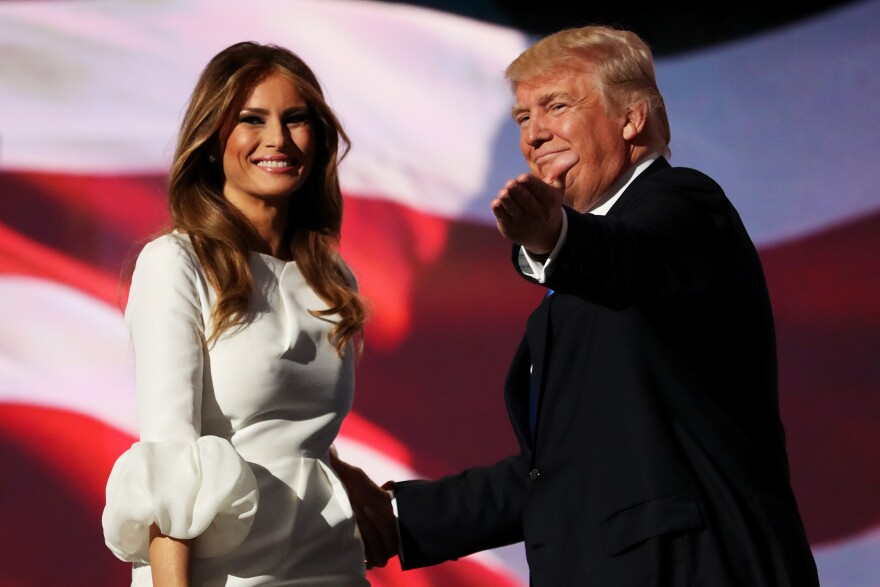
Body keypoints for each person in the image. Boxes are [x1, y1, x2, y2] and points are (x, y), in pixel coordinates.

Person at [360, 25, 822, 585]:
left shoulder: (687, 206)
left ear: (631, 119)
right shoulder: (577, 290)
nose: (533, 135)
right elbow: (563, 473)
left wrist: (554, 238)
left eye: (556, 106)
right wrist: (394, 519)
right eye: (523, 118)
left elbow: (634, 259)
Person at [101, 41, 381, 586]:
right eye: (252, 120)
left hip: (329, 562)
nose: (277, 139)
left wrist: (340, 471)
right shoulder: (175, 264)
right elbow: (169, 457)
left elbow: (288, 428)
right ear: (213, 140)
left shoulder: (332, 277)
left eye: (296, 120)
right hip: (225, 573)